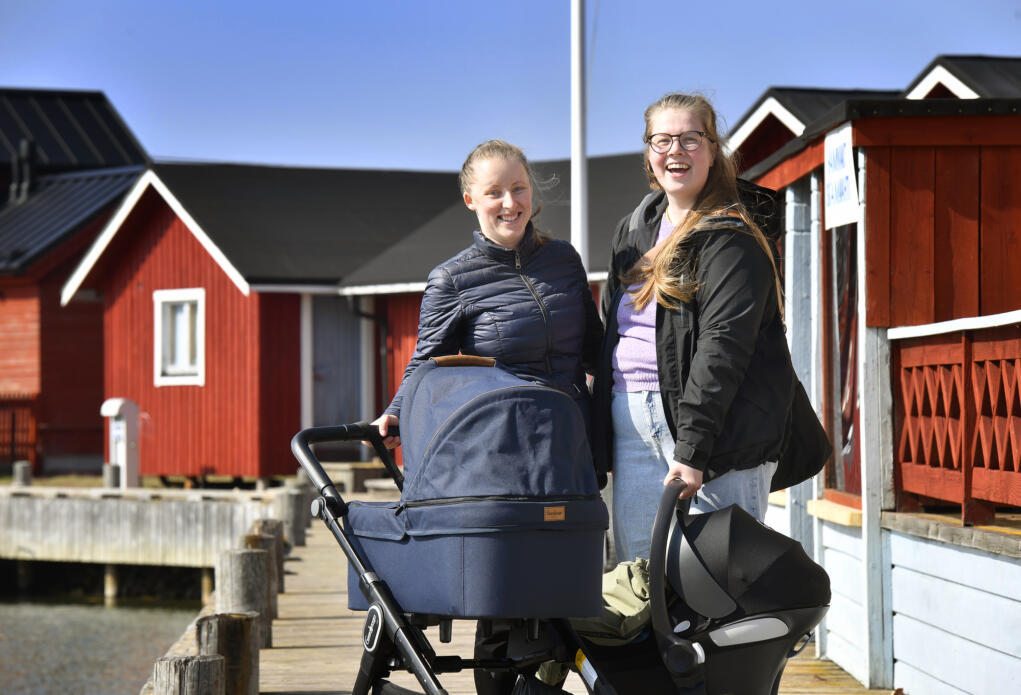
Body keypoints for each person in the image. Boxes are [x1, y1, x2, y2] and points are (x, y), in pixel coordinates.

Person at [371, 139, 603, 695]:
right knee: (508, 598)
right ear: (471, 199)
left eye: (519, 189)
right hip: (507, 456)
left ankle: (542, 684)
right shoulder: (453, 279)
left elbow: (596, 347)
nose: (510, 203)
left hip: (571, 449)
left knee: (563, 588)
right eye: (495, 192)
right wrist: (397, 412)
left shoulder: (564, 260)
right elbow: (426, 363)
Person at [592, 93, 795, 563]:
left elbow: (722, 346)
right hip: (632, 422)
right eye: (662, 140)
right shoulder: (634, 228)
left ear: (712, 148)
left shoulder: (733, 234)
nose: (675, 151)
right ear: (648, 151)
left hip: (714, 434)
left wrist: (692, 449)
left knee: (714, 582)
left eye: (690, 138)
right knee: (641, 580)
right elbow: (609, 332)